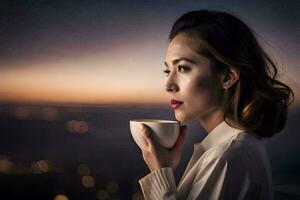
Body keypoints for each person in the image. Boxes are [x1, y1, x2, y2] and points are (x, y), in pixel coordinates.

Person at [137, 10, 294, 200]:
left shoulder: (226, 158)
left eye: (183, 68)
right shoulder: (236, 148)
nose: (168, 85)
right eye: (167, 70)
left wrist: (160, 173)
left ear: (227, 77)